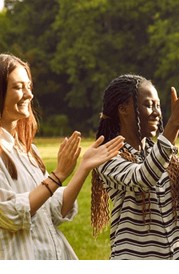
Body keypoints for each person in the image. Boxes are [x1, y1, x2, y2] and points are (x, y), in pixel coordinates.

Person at [0, 53, 124, 259]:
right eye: (18, 87)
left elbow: (53, 211)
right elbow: (11, 214)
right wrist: (57, 175)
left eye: (29, 86)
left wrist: (83, 167)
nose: (29, 94)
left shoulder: (28, 151)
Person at [90, 74, 179, 259]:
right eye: (149, 105)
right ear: (123, 109)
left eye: (158, 106)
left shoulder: (160, 153)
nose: (157, 113)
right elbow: (143, 178)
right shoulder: (107, 155)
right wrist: (174, 122)